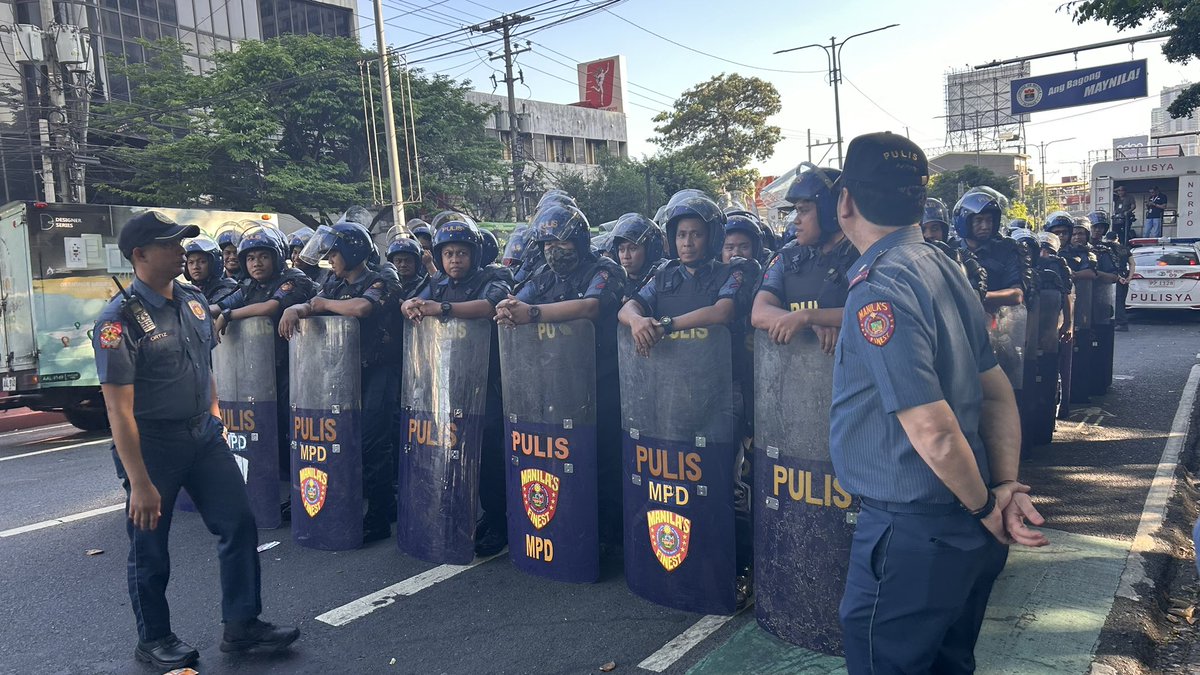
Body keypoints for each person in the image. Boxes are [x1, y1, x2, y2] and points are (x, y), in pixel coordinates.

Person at [828, 132, 1047, 674]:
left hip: (915, 526)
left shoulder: (878, 288)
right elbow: (996, 390)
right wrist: (1003, 488)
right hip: (966, 512)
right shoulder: (943, 265)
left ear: (846, 201)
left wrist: (985, 507)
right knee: (949, 662)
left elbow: (934, 431)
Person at [94, 211, 298, 671]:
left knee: (239, 524)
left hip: (203, 438)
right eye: (170, 244)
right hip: (153, 446)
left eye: (182, 242)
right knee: (150, 545)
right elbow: (118, 411)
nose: (182, 251)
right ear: (140, 255)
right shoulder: (118, 320)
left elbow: (202, 364)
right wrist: (139, 482)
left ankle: (242, 625)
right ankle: (154, 639)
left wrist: (212, 415)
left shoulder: (192, 301)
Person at [617, 191, 759, 604]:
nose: (688, 243)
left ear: (711, 237)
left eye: (696, 234)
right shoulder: (663, 275)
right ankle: (683, 561)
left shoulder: (735, 271)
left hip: (723, 396)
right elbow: (626, 307)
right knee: (675, 482)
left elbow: (722, 313)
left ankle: (738, 568)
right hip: (670, 397)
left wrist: (661, 323)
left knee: (725, 484)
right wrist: (637, 319)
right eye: (681, 235)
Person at [494, 203, 627, 549]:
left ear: (580, 241)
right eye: (548, 244)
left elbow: (590, 307)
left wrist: (532, 313)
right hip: (555, 384)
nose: (555, 251)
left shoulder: (604, 268)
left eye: (563, 243)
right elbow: (516, 301)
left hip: (603, 382)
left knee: (603, 460)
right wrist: (507, 308)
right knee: (557, 462)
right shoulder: (543, 277)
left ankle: (608, 537)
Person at [279, 221, 399, 543]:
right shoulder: (333, 282)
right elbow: (314, 301)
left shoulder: (382, 277)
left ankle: (379, 516)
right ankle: (359, 503)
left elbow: (362, 307)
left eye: (334, 252)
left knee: (375, 443)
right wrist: (298, 307)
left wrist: (321, 305)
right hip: (343, 372)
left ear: (352, 250)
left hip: (379, 372)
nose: (330, 258)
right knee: (346, 439)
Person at [401, 214, 512, 555]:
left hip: (489, 382)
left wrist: (443, 307)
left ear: (474, 254)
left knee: (489, 454)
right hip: (447, 382)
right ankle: (458, 513)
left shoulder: (495, 276)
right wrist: (410, 305)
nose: (454, 260)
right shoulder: (435, 283)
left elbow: (488, 305)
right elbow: (412, 302)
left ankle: (498, 521)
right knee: (449, 453)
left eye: (461, 253)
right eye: (448, 254)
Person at [213, 226, 318, 496]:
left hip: (296, 369)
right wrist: (194, 310)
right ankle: (278, 493)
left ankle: (298, 493)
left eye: (263, 257)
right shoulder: (248, 285)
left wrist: (229, 315)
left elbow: (272, 306)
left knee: (293, 432)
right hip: (261, 371)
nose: (256, 263)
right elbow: (223, 303)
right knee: (267, 431)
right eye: (250, 258)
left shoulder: (293, 278)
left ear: (276, 257)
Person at [750, 164, 855, 354]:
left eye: (803, 210)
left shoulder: (862, 257)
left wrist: (810, 316)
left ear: (830, 210)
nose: (795, 220)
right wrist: (809, 322)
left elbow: (872, 313)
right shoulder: (788, 258)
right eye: (796, 211)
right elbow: (759, 312)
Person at [953, 187, 1026, 314]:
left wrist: (980, 296)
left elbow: (1017, 294)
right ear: (966, 222)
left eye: (989, 220)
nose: (985, 226)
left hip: (998, 326)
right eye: (979, 220)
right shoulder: (950, 250)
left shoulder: (1005, 249)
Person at [608, 212, 667, 302]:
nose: (626, 256)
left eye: (633, 248)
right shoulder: (616, 281)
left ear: (649, 251)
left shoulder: (664, 277)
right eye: (621, 249)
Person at [183, 235, 237, 302]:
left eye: (202, 262)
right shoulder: (186, 292)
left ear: (214, 264)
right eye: (191, 262)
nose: (195, 267)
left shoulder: (227, 287)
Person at [1105, 230, 1133, 331]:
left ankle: (1121, 323)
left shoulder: (1108, 248)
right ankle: (1120, 322)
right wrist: (1129, 277)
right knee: (1121, 301)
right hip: (1125, 276)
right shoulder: (1124, 248)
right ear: (1117, 238)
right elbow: (1132, 263)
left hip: (1115, 277)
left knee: (1115, 301)